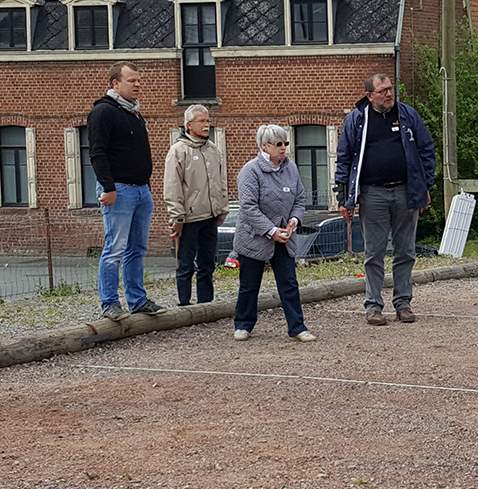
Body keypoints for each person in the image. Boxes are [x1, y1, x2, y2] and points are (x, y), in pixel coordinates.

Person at [335, 73, 436, 326]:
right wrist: (344, 197)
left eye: (390, 89)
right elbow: (344, 158)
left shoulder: (408, 115)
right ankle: (373, 306)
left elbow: (426, 150)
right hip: (372, 194)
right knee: (374, 253)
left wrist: (425, 185)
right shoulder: (357, 120)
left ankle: (403, 303)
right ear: (369, 95)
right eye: (383, 91)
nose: (389, 94)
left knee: (406, 251)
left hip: (405, 191)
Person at [88, 61, 167, 321]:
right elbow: (97, 152)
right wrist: (108, 187)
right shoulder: (103, 112)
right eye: (132, 80)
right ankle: (110, 303)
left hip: (141, 190)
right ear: (115, 83)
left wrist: (147, 187)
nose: (138, 84)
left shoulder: (134, 113)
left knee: (137, 249)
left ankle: (137, 300)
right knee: (115, 248)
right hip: (119, 190)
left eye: (139, 80)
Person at [232, 125, 316, 342]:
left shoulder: (291, 168)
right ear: (264, 146)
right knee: (249, 284)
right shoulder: (250, 171)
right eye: (278, 144)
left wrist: (293, 221)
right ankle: (243, 324)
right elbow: (248, 207)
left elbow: (300, 199)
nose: (283, 148)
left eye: (285, 143)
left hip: (284, 237)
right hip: (254, 237)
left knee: (289, 283)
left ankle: (297, 327)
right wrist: (270, 230)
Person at [164, 104, 229, 307]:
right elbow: (172, 187)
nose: (206, 125)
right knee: (185, 265)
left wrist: (222, 208)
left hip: (210, 216)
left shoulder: (213, 150)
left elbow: (221, 181)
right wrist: (177, 217)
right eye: (202, 121)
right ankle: (184, 304)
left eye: (208, 121)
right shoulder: (178, 151)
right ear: (189, 125)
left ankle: (206, 304)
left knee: (207, 264)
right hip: (189, 219)